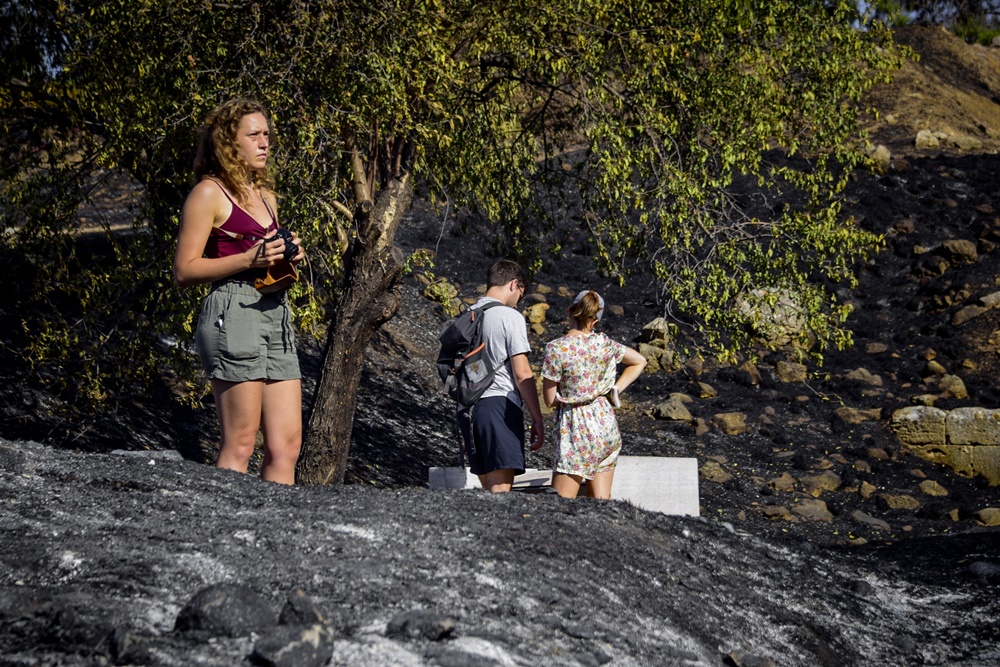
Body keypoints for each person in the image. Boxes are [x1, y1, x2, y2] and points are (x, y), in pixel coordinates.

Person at [173, 98, 304, 485]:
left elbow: (263, 259)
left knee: (286, 446)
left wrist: (287, 254)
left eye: (267, 134)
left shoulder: (267, 195)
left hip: (274, 312)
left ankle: (274, 535)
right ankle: (226, 533)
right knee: (242, 442)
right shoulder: (208, 194)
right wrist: (250, 259)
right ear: (230, 143)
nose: (265, 142)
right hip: (232, 309)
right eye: (254, 135)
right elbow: (184, 270)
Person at [541, 290, 647, 499]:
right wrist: (616, 388)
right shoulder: (605, 344)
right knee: (601, 506)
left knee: (560, 504)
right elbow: (639, 360)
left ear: (569, 311)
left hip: (576, 430)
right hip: (605, 424)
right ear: (596, 321)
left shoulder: (555, 348)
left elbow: (550, 399)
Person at [457, 260, 545, 493]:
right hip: (499, 406)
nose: (518, 302)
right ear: (513, 284)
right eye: (520, 295)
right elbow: (522, 372)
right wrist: (537, 418)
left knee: (489, 494)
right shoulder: (509, 317)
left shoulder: (467, 316)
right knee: (500, 496)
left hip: (468, 411)